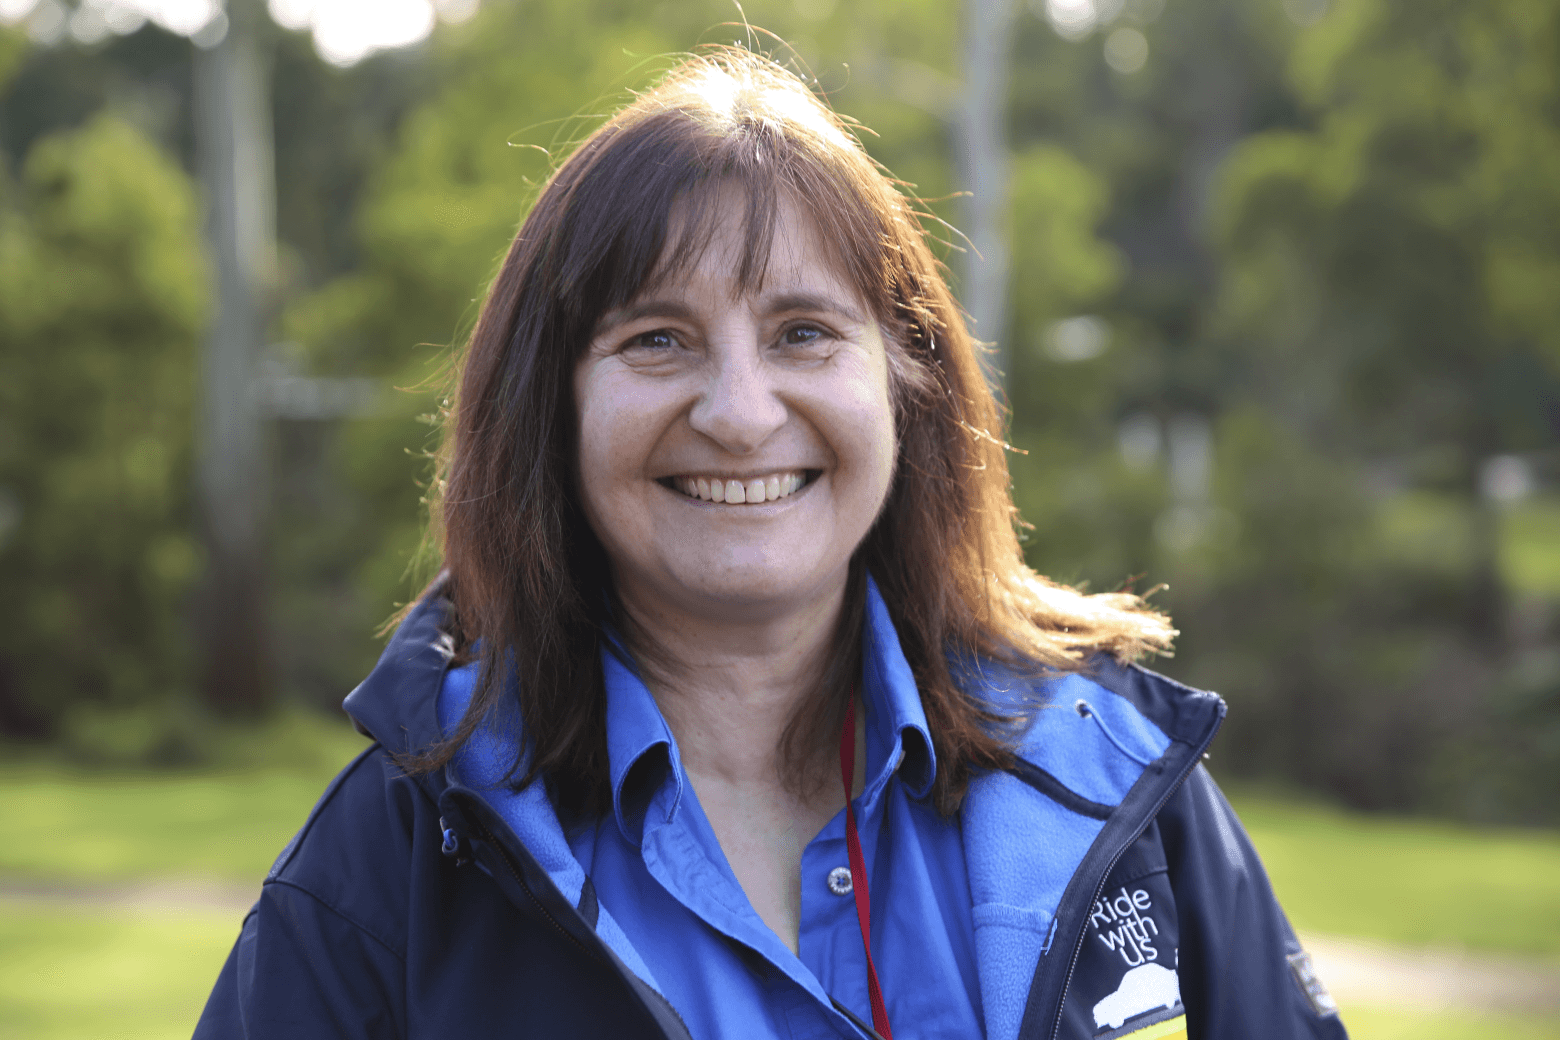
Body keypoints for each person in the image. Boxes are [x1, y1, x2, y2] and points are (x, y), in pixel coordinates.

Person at [195, 50, 1347, 1040]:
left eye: (803, 331)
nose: (741, 412)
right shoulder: (398, 859)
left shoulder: (1110, 780)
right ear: (552, 410)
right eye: (657, 339)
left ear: (909, 386)